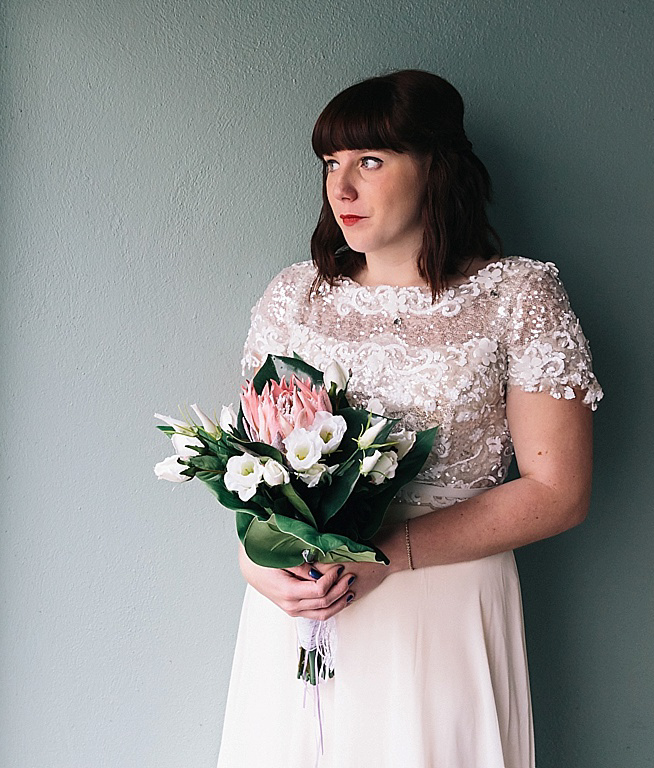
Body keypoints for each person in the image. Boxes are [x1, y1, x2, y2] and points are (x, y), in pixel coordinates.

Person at [216, 70, 602, 768]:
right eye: (331, 163)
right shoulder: (293, 297)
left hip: (445, 603)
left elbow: (559, 491)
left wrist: (387, 556)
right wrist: (255, 563)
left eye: (370, 160)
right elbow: (252, 468)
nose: (342, 189)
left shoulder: (518, 295)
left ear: (437, 167)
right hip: (304, 610)